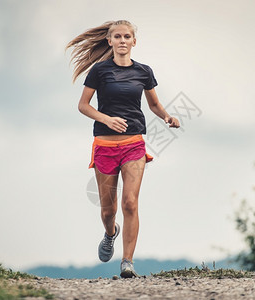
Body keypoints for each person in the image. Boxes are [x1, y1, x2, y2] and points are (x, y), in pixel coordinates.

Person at [66, 20, 180, 278]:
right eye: (117, 36)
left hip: (133, 144)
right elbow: (83, 105)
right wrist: (106, 119)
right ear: (110, 41)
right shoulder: (99, 71)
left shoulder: (144, 72)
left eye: (127, 36)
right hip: (105, 145)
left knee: (130, 203)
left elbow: (153, 104)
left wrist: (167, 117)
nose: (122, 40)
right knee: (109, 209)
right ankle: (110, 233)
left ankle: (127, 261)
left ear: (133, 41)